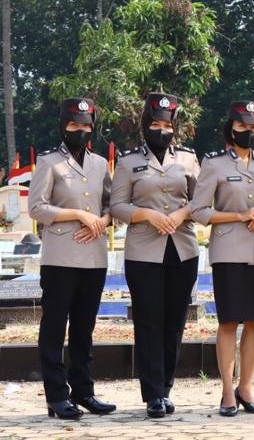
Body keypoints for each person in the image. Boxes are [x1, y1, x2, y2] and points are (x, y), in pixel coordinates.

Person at [109, 93, 200, 418]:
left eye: (168, 125)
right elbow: (117, 205)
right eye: (156, 124)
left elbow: (202, 201)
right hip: (143, 252)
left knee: (175, 322)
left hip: (182, 249)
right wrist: (146, 215)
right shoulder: (128, 161)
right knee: (149, 322)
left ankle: (167, 387)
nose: (162, 130)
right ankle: (153, 393)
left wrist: (181, 214)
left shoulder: (188, 158)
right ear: (145, 125)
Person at [28, 98, 116, 420]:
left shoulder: (99, 164)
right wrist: (78, 214)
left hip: (94, 257)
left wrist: (101, 221)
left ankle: (83, 391)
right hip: (61, 257)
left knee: (84, 328)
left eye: (86, 125)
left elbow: (111, 205)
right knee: (54, 328)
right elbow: (36, 207)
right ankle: (57, 396)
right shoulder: (49, 162)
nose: (81, 130)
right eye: (74, 124)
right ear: (63, 126)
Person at [189, 100, 254, 417]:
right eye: (242, 126)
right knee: (228, 321)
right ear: (231, 127)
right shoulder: (214, 164)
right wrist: (239, 215)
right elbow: (199, 211)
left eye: (253, 127)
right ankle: (227, 390)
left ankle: (246, 387)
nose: (248, 131)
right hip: (228, 252)